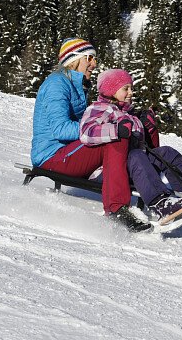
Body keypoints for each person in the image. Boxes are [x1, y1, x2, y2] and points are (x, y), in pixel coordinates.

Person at [30, 37, 146, 231]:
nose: (94, 64)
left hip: (70, 152)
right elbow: (60, 129)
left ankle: (152, 186)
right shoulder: (56, 84)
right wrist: (100, 127)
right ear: (73, 59)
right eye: (89, 58)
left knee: (114, 132)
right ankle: (117, 208)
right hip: (51, 156)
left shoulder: (78, 86)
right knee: (112, 134)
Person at [81, 68, 182, 226]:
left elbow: (146, 148)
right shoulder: (101, 109)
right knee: (136, 156)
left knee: (167, 153)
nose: (131, 92)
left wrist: (148, 128)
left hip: (133, 165)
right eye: (125, 88)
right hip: (107, 170)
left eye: (131, 88)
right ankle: (161, 203)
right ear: (111, 90)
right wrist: (116, 130)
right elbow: (86, 132)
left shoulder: (130, 114)